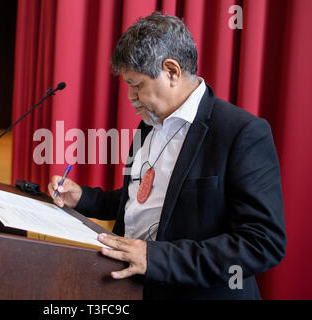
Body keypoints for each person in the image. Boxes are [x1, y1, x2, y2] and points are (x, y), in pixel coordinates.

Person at [48, 12, 286, 300]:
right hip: (131, 291)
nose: (130, 97)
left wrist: (157, 259)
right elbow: (141, 200)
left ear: (171, 71)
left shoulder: (242, 132)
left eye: (136, 85)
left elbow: (262, 243)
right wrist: (84, 198)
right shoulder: (148, 124)